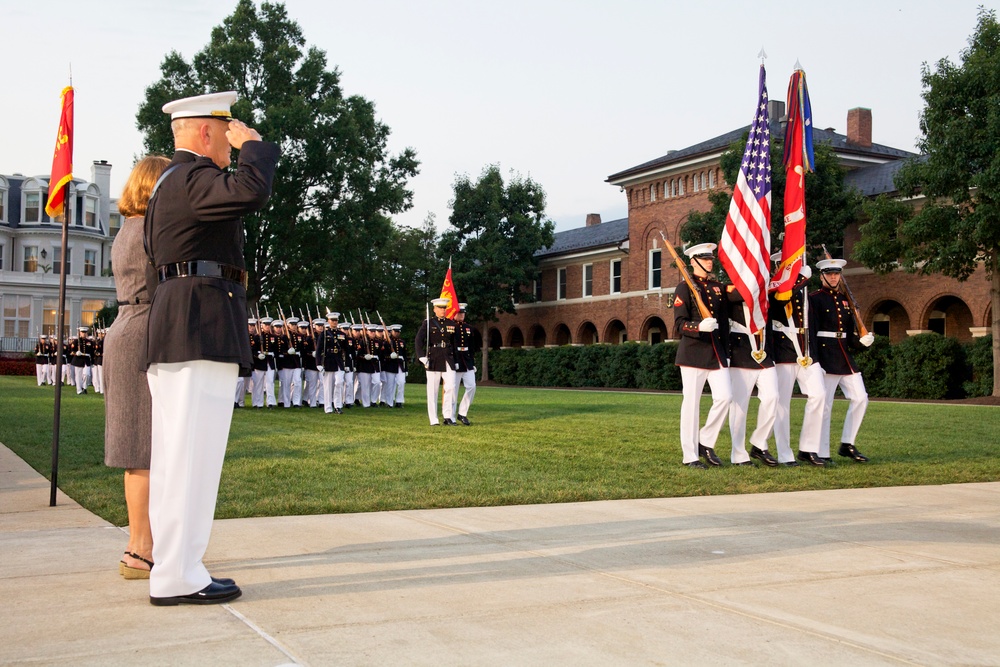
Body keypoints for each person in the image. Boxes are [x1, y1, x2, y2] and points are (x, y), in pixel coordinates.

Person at [143, 91, 279, 605]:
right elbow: (251, 191)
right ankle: (179, 574)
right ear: (206, 133)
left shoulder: (170, 183)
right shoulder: (193, 178)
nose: (233, 141)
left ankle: (181, 568)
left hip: (187, 325)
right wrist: (258, 148)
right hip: (196, 326)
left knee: (185, 457)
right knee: (190, 458)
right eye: (228, 132)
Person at [103, 154, 171, 580]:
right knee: (144, 450)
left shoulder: (126, 227)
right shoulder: (150, 228)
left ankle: (141, 545)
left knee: (138, 450)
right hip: (144, 328)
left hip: (126, 328)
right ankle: (140, 548)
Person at [809, 258, 874, 464]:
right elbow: (811, 332)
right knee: (825, 406)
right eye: (829, 274)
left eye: (837, 273)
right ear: (822, 277)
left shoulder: (845, 300)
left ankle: (847, 443)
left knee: (861, 398)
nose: (834, 277)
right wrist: (815, 361)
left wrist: (861, 340)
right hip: (825, 356)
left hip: (844, 356)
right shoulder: (815, 299)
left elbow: (847, 334)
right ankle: (821, 451)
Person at [672, 243, 731, 468]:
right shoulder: (684, 288)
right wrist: (698, 328)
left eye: (710, 258)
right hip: (693, 354)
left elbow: (724, 323)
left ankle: (705, 441)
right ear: (693, 262)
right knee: (692, 405)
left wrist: (727, 352)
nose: (709, 261)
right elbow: (678, 324)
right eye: (704, 258)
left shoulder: (717, 287)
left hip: (716, 353)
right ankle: (690, 456)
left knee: (725, 397)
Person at [768, 257, 826, 466]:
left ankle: (808, 448)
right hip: (784, 351)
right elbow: (778, 303)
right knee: (782, 404)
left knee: (819, 395)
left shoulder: (805, 292)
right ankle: (785, 453)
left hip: (807, 351)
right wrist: (800, 279)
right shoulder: (774, 287)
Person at [725, 287, 779, 466]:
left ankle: (759, 443)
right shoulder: (731, 289)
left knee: (772, 398)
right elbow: (731, 297)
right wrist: (753, 283)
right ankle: (738, 454)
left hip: (763, 353)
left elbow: (781, 299)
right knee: (739, 407)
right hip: (740, 353)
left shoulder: (764, 287)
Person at [414, 297, 458, 426]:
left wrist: (456, 360)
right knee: (432, 390)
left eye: (444, 308)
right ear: (434, 309)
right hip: (433, 358)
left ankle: (448, 416)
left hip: (448, 358)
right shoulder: (428, 323)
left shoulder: (451, 323)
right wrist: (421, 356)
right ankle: (433, 418)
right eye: (440, 308)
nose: (442, 310)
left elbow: (454, 344)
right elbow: (418, 340)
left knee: (451, 387)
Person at [452, 303, 478, 426]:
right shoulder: (451, 327)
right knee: (453, 389)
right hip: (456, 360)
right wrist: (453, 361)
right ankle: (450, 415)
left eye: (463, 313)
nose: (461, 315)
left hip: (467, 361)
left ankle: (462, 413)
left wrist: (472, 362)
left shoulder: (469, 328)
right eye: (459, 313)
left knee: (472, 386)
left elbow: (472, 347)